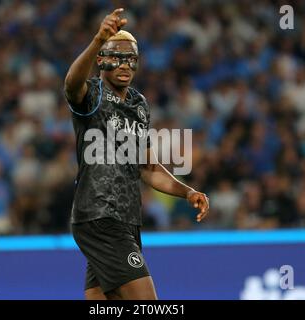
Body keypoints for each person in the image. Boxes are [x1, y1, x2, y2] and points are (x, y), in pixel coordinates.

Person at [64, 8, 209, 300]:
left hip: (127, 220)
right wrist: (97, 40)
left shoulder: (139, 104)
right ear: (102, 61)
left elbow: (148, 168)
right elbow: (71, 83)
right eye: (116, 58)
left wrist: (188, 191)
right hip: (99, 216)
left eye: (130, 59)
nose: (124, 65)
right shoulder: (91, 94)